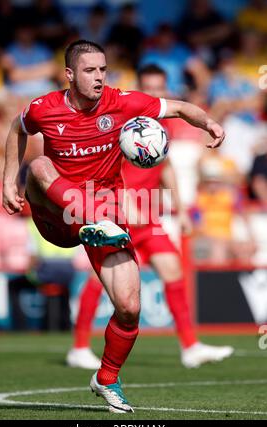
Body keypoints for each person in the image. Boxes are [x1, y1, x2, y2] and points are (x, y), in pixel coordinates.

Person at [2, 40, 225, 414]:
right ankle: (93, 224)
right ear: (70, 75)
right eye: (90, 71)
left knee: (129, 306)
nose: (99, 78)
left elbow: (180, 108)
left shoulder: (123, 103)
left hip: (105, 216)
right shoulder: (44, 108)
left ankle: (106, 378)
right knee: (39, 167)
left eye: (103, 70)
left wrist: (210, 122)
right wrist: (8, 180)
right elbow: (16, 128)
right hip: (57, 216)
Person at [67, 65, 234, 371]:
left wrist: (181, 209)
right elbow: (103, 168)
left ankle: (190, 347)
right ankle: (78, 347)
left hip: (149, 219)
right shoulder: (119, 124)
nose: (155, 94)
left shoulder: (159, 126)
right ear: (139, 89)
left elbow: (165, 168)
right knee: (98, 281)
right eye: (150, 88)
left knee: (173, 271)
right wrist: (124, 200)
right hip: (118, 216)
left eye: (160, 88)